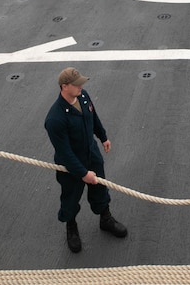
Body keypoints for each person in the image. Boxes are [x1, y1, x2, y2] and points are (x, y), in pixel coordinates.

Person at [44, 67, 128, 253]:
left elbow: (93, 117)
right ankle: (71, 227)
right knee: (70, 198)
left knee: (100, 190)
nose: (81, 86)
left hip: (92, 155)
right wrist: (82, 173)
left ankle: (105, 218)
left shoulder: (83, 96)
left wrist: (103, 136)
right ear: (64, 87)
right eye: (77, 84)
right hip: (71, 166)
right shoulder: (55, 119)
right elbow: (64, 152)